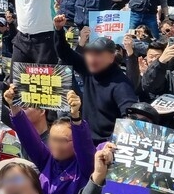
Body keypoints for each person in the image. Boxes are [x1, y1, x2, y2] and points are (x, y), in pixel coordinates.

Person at [7, 89, 94, 194]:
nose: (55, 145)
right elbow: (28, 136)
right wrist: (14, 106)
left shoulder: (86, 167)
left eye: (61, 140)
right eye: (52, 139)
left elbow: (85, 146)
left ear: (75, 142)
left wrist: (76, 117)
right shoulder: (47, 159)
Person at [54, 15, 138, 143]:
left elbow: (129, 115)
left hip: (107, 144)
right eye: (90, 54)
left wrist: (114, 143)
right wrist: (59, 30)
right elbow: (65, 53)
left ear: (111, 57)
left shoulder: (121, 83)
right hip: (86, 138)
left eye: (98, 55)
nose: (92, 59)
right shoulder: (88, 68)